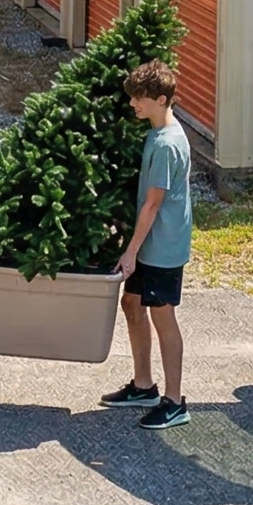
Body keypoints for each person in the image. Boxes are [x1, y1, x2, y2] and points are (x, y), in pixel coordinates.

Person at [101, 60, 193, 430]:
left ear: (161, 98)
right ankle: (144, 386)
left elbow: (154, 204)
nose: (133, 105)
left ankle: (175, 401)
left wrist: (130, 251)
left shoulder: (169, 143)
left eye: (140, 99)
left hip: (162, 248)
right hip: (151, 245)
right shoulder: (157, 133)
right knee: (132, 303)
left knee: (163, 317)